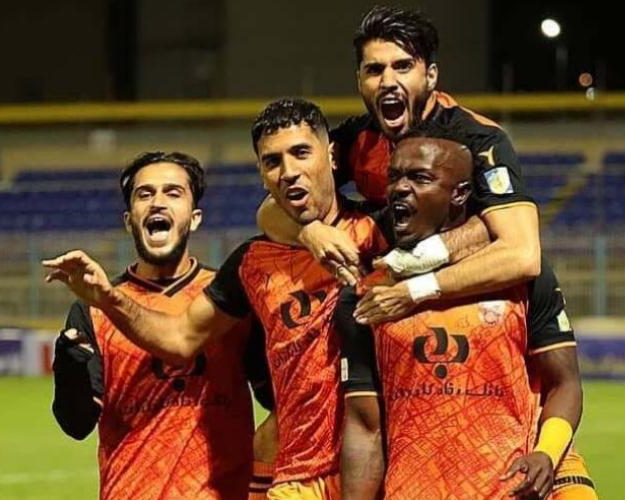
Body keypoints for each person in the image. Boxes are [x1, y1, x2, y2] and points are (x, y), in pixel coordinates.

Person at [337, 123, 595, 499]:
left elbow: (565, 383)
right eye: (394, 177)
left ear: (459, 194)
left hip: (507, 490)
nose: (400, 188)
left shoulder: (520, 276)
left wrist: (546, 453)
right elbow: (364, 426)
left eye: (420, 177)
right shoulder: (368, 294)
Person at [257, 6, 540, 306]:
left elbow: (523, 255)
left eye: (403, 66)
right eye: (375, 70)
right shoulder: (356, 139)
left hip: (478, 299)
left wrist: (416, 290)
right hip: (397, 285)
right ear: (359, 80)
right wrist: (309, 232)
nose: (388, 81)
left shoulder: (478, 140)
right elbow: (269, 213)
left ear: (430, 76)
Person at [51, 151, 275, 499]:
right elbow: (76, 424)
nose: (157, 202)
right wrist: (70, 371)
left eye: (173, 193)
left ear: (195, 218)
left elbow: (282, 400)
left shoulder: (232, 301)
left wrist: (260, 474)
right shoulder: (92, 308)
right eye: (145, 194)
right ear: (129, 221)